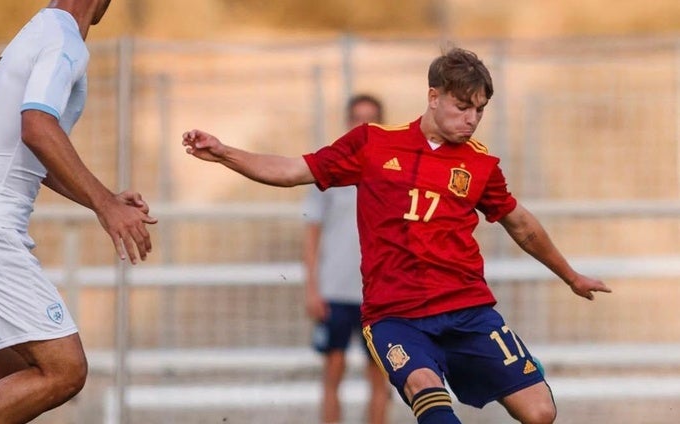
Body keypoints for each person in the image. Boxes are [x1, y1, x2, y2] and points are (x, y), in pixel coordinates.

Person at [183, 46, 612, 424]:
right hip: (396, 315)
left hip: (468, 309)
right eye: (463, 106)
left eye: (479, 110)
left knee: (541, 412)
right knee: (425, 387)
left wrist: (570, 275)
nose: (472, 119)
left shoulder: (481, 165)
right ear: (433, 96)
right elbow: (293, 170)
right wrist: (225, 153)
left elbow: (521, 224)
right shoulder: (372, 143)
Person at [0, 1, 157, 423]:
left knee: (4, 373)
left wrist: (103, 198)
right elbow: (36, 127)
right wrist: (104, 206)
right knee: (65, 370)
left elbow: (37, 155)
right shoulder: (64, 39)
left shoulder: (42, 31)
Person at [303, 94, 391, 424]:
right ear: (347, 123)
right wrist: (313, 287)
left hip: (379, 295)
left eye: (370, 118)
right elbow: (311, 233)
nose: (363, 125)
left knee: (380, 375)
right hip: (336, 291)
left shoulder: (391, 172)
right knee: (332, 374)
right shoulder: (329, 170)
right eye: (357, 117)